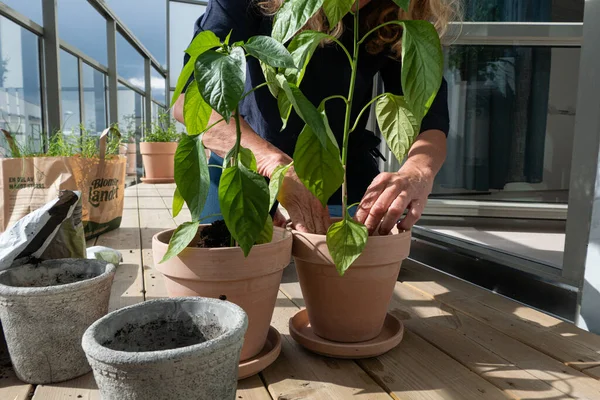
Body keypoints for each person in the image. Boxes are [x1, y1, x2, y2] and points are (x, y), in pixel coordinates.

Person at [173, 0, 458, 235]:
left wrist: (417, 171)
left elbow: (429, 116)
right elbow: (191, 102)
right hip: (244, 159)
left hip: (340, 170)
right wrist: (272, 164)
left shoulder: (400, 12)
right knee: (226, 266)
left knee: (353, 265)